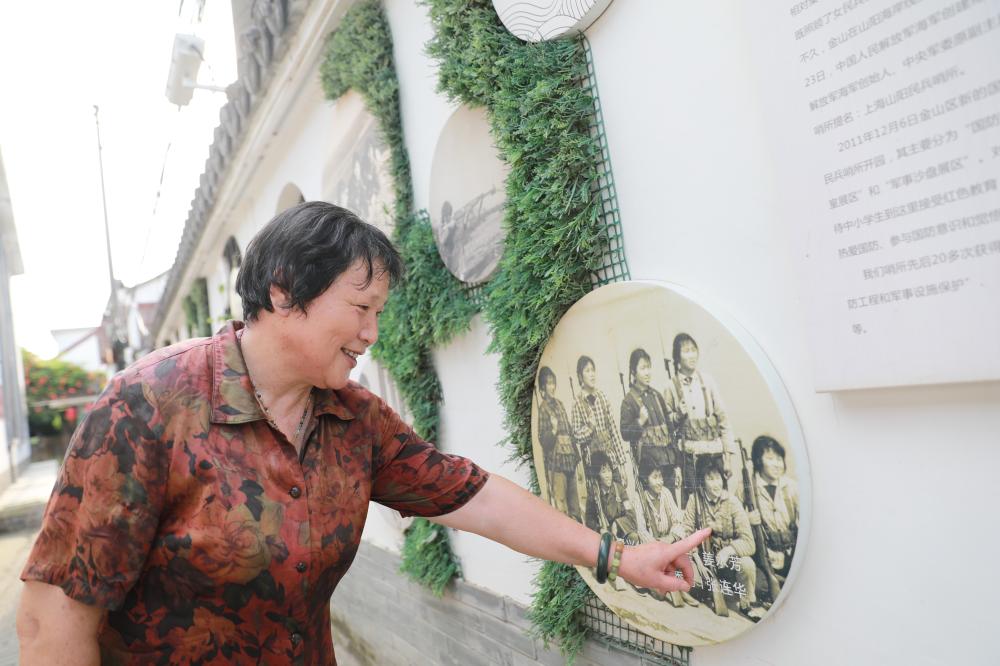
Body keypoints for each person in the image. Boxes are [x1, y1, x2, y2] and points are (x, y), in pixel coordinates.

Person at [17, 202, 711, 665]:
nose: (372, 335)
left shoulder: (353, 420)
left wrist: (618, 557)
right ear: (285, 291)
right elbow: (56, 615)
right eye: (360, 307)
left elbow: (475, 498)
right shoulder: (149, 405)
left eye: (378, 311)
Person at [679, 456, 764, 620]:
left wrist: (728, 550)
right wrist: (693, 551)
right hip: (703, 561)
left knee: (746, 564)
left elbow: (749, 542)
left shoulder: (732, 502)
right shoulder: (695, 500)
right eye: (710, 478)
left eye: (717, 477)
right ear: (702, 480)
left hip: (726, 564)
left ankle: (746, 605)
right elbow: (686, 531)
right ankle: (705, 589)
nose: (716, 483)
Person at [570, 355, 646, 536]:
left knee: (620, 498)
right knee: (598, 501)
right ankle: (605, 537)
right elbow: (576, 437)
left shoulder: (602, 397)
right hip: (592, 465)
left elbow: (613, 430)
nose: (592, 374)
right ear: (580, 376)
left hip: (610, 460)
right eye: (587, 371)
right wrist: (590, 427)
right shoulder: (577, 404)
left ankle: (625, 532)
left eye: (593, 370)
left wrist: (620, 463)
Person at [662, 333, 738, 505]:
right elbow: (667, 427)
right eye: (686, 351)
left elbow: (723, 420)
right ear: (677, 357)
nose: (692, 355)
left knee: (722, 504)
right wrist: (677, 415)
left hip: (715, 455)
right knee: (695, 506)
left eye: (694, 350)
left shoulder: (708, 381)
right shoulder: (670, 387)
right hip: (690, 460)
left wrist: (728, 459)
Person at [637, 458, 699, 607]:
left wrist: (671, 537)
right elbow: (641, 530)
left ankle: (679, 588)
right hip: (651, 547)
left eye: (661, 477)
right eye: (655, 477)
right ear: (646, 479)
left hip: (667, 542)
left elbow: (679, 520)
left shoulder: (665, 493)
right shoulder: (640, 498)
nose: (660, 482)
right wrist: (657, 546)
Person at [619, 348, 674, 494]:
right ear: (633, 372)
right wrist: (640, 422)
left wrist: (677, 465)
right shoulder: (629, 401)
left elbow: (670, 429)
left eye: (648, 367)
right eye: (643, 368)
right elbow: (625, 433)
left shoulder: (657, 395)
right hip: (649, 469)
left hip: (668, 464)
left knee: (671, 507)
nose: (647, 372)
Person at [747, 435, 798, 580]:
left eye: (779, 459)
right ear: (758, 460)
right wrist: (747, 520)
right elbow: (732, 525)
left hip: (792, 555)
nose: (777, 464)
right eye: (770, 458)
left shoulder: (792, 487)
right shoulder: (746, 488)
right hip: (763, 560)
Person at [536, 365, 582, 522]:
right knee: (561, 508)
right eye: (548, 383)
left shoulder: (560, 405)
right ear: (543, 386)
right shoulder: (543, 410)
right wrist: (553, 430)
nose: (552, 387)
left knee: (575, 507)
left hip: (569, 461)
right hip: (557, 465)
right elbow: (543, 440)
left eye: (553, 383)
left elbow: (569, 431)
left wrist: (577, 457)